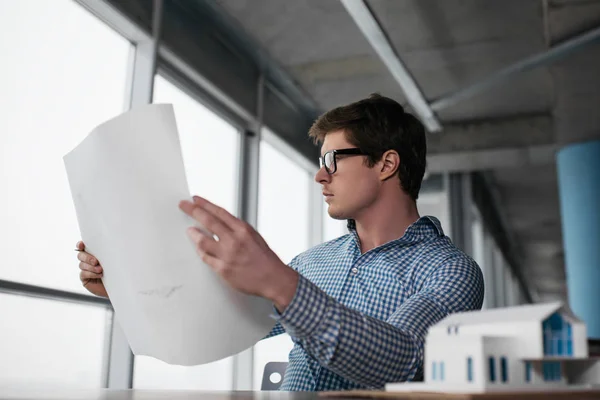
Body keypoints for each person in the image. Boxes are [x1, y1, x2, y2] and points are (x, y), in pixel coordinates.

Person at [76, 93, 484, 391]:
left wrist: (280, 283)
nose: (320, 176)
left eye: (332, 160)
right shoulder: (313, 262)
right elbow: (227, 320)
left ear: (386, 163)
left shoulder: (450, 271)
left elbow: (402, 361)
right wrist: (123, 286)